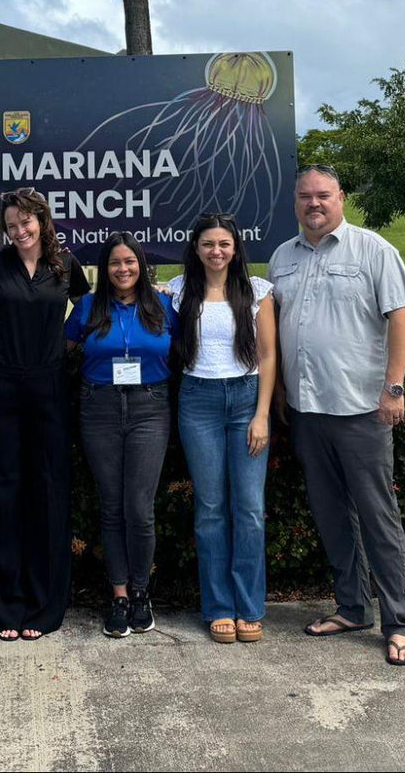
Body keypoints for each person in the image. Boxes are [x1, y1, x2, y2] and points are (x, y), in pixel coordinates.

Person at [267, 166, 405, 667]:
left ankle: (399, 623)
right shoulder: (282, 258)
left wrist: (393, 388)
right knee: (331, 515)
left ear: (341, 198)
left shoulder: (373, 250)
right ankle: (352, 607)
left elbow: (401, 315)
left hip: (361, 408)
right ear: (295, 202)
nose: (314, 204)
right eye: (305, 196)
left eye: (323, 196)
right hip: (307, 410)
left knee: (377, 516)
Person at [0, 188, 90, 641]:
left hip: (50, 389)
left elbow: (88, 311)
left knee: (48, 492)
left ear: (42, 220)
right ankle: (5, 605)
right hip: (2, 386)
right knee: (4, 493)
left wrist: (57, 350)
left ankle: (44, 606)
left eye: (26, 222)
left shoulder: (66, 265)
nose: (19, 231)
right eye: (11, 225)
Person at [168, 213, 277, 644]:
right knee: (211, 509)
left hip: (247, 400)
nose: (216, 251)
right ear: (196, 248)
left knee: (249, 508)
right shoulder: (177, 291)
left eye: (224, 244)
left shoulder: (257, 292)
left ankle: (249, 606)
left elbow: (268, 355)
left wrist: (262, 414)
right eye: (208, 244)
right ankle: (218, 607)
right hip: (198, 401)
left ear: (236, 249)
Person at [65, 232, 176, 638]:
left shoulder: (162, 304)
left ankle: (142, 592)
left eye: (130, 261)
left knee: (139, 508)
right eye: (115, 263)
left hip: (150, 407)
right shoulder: (88, 306)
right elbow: (62, 347)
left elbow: (187, 346)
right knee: (111, 506)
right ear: (104, 269)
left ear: (141, 265)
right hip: (100, 408)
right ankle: (119, 595)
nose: (123, 269)